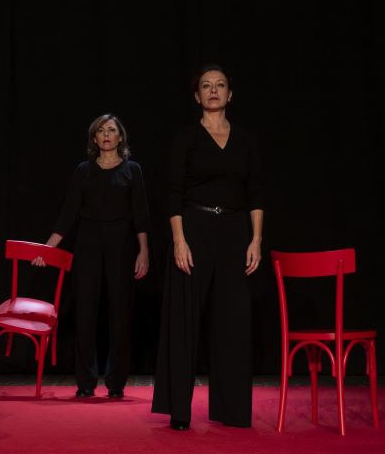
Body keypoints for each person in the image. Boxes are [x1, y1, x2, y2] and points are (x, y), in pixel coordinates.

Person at [151, 64, 264, 430]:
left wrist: (256, 239)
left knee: (232, 320)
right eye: (206, 86)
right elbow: (173, 193)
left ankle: (231, 410)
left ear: (230, 94)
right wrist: (179, 240)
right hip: (194, 228)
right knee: (184, 319)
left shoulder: (245, 140)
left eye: (220, 85)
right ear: (197, 96)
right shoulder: (186, 138)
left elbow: (255, 194)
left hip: (234, 230)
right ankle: (179, 410)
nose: (213, 90)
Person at [38, 114, 151, 398]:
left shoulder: (132, 170)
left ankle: (116, 382)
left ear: (120, 137)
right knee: (85, 311)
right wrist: (48, 247)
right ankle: (85, 381)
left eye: (111, 130)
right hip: (88, 242)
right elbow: (68, 213)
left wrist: (144, 251)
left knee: (120, 313)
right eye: (100, 130)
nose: (106, 135)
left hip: (121, 243)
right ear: (94, 138)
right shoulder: (83, 170)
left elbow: (141, 215)